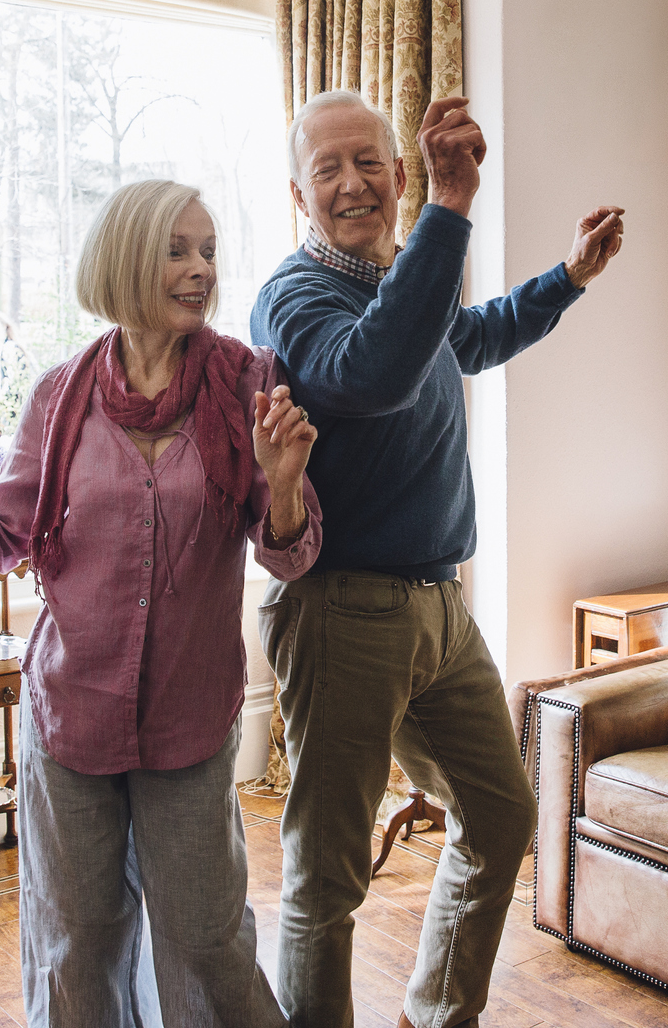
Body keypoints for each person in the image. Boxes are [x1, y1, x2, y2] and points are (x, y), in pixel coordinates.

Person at [0, 179, 322, 1028]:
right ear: (126, 259)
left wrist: (282, 486)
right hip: (69, 715)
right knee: (76, 945)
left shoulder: (246, 382)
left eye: (207, 251)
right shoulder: (61, 397)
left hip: (189, 722)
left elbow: (293, 553)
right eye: (177, 250)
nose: (200, 269)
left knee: (205, 941)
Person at [250, 91, 625, 1028]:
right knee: (326, 878)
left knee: (498, 817)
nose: (350, 183)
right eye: (326, 169)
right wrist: (450, 215)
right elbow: (366, 375)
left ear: (398, 174)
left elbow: (476, 335)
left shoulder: (401, 288)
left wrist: (568, 276)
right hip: (342, 612)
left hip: (439, 611)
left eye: (367, 162)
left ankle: (433, 1017)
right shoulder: (293, 297)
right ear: (298, 195)